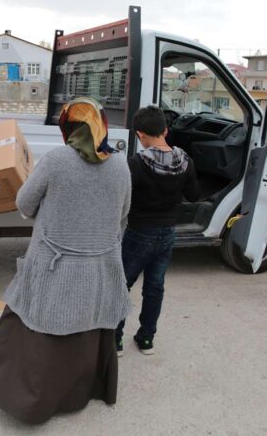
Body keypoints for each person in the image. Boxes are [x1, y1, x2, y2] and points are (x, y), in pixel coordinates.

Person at [0, 97, 132, 425]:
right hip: (100, 267)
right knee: (90, 325)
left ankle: (32, 402)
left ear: (68, 127)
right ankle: (85, 391)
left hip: (55, 266)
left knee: (38, 325)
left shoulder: (55, 161)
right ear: (102, 125)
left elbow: (24, 203)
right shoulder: (120, 165)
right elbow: (123, 215)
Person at [116, 105, 201, 356]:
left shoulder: (135, 164)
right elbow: (194, 195)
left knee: (122, 285)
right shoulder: (185, 161)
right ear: (165, 130)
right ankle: (146, 339)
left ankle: (115, 340)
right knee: (155, 287)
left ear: (140, 134)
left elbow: (121, 199)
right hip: (167, 233)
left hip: (139, 233)